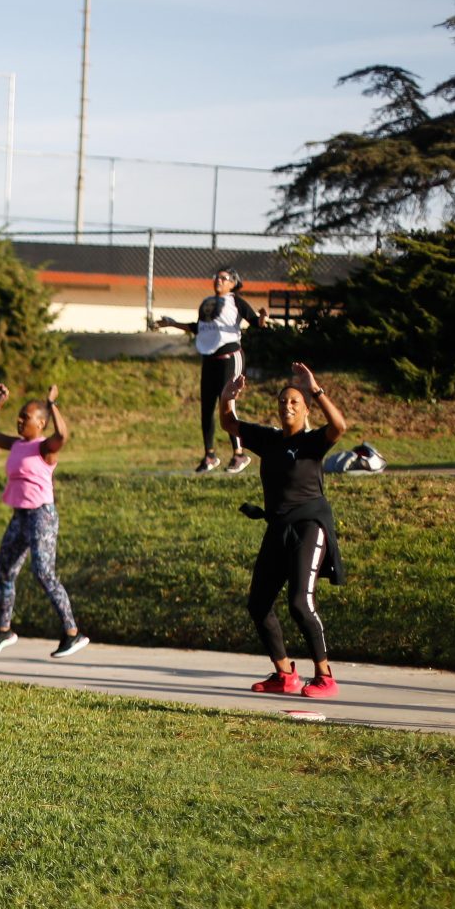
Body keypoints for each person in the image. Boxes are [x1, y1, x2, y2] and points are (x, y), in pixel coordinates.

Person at [219, 363, 348, 698]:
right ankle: (285, 673)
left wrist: (315, 389)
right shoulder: (269, 439)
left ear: (305, 410)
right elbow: (229, 423)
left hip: (309, 525)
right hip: (277, 527)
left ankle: (325, 676)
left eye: (294, 402)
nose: (286, 406)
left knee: (299, 603)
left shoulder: (313, 442)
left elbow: (339, 426)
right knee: (258, 603)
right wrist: (226, 397)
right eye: (282, 402)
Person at [0, 382, 88, 658]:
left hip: (42, 516)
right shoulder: (17, 445)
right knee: (5, 570)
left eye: (24, 418)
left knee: (43, 573)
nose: (18, 421)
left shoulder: (44, 448)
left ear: (41, 423)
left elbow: (62, 435)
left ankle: (72, 633)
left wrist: (52, 404)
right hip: (20, 516)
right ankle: (4, 630)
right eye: (18, 416)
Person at [157, 267, 270, 474]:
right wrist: (173, 324)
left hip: (230, 358)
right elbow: (199, 327)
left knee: (227, 404)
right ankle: (210, 456)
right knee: (206, 408)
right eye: (216, 277)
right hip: (209, 358)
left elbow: (256, 323)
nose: (218, 280)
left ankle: (239, 454)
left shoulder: (236, 301)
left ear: (233, 283)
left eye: (224, 278)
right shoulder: (207, 303)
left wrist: (262, 317)